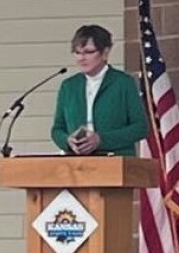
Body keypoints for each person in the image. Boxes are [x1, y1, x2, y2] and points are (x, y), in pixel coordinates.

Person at [51, 25, 148, 157]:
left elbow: (140, 128)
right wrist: (68, 141)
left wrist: (101, 140)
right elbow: (57, 129)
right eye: (77, 52)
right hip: (76, 163)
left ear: (105, 52)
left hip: (115, 161)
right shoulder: (68, 86)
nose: (81, 58)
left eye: (89, 52)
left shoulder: (123, 82)